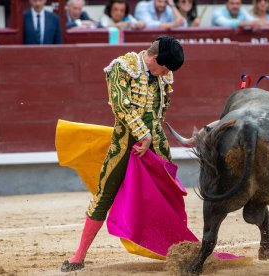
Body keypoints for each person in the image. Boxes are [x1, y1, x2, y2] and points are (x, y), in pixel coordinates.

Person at [60, 36, 184, 272]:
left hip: (156, 143)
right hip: (124, 143)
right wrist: (143, 134)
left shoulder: (164, 73)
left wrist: (152, 137)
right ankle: (78, 256)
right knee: (104, 194)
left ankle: (178, 248)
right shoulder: (121, 67)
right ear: (155, 58)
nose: (166, 73)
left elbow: (161, 111)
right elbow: (121, 106)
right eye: (164, 67)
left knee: (170, 193)